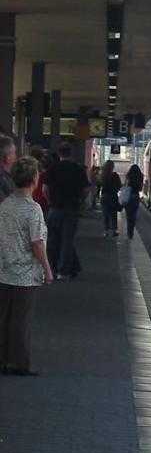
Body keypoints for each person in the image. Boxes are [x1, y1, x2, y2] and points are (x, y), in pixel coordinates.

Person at [0, 156, 54, 376]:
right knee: (22, 319)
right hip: (25, 274)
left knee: (4, 318)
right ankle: (19, 362)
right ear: (35, 179)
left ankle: (3, 359)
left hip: (3, 271)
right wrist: (47, 269)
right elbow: (37, 243)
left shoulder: (5, 205)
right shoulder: (33, 209)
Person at [43, 142, 90, 280]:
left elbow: (45, 189)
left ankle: (48, 268)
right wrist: (81, 200)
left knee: (52, 240)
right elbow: (87, 189)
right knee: (67, 240)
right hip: (72, 208)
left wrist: (50, 201)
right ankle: (63, 271)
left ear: (59, 153)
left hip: (55, 208)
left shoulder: (53, 169)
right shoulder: (78, 169)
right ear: (71, 153)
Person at [99, 160, 122, 237]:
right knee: (113, 214)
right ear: (112, 167)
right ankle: (114, 230)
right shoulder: (115, 175)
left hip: (104, 196)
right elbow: (119, 185)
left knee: (105, 214)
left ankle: (106, 231)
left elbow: (99, 184)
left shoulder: (103, 175)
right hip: (113, 196)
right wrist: (115, 190)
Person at [123, 164, 144, 239]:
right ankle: (131, 233)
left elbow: (125, 186)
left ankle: (129, 232)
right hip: (135, 197)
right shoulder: (140, 176)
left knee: (128, 216)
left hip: (128, 197)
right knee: (133, 215)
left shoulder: (128, 175)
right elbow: (140, 188)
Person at [0, 134, 17, 203]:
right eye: (14, 153)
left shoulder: (11, 175)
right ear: (8, 157)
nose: (16, 156)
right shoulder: (2, 177)